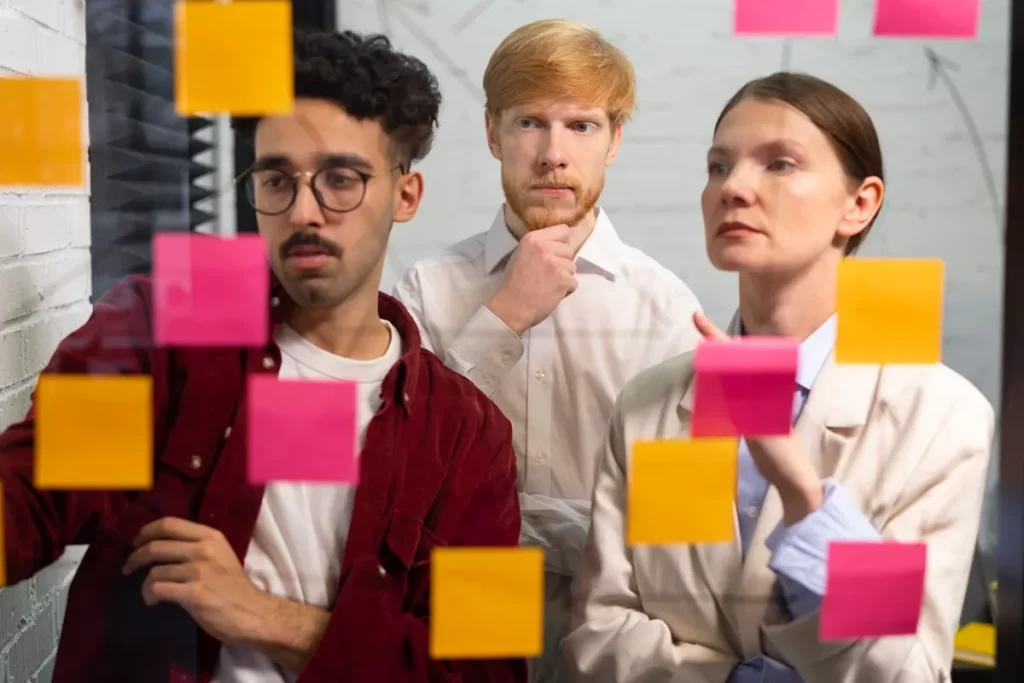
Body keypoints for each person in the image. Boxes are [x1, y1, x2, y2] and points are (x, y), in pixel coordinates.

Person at [0, 29, 526, 683]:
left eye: (342, 179)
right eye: (277, 178)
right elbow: (31, 496)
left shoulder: (468, 435)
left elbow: (489, 670)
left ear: (406, 194)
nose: (304, 211)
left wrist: (263, 616)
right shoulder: (170, 324)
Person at [562, 72, 994, 683]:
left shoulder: (938, 415)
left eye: (780, 164)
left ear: (859, 203)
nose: (733, 188)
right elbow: (599, 639)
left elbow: (907, 669)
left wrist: (803, 496)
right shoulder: (650, 405)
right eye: (718, 167)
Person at [392, 18, 703, 682]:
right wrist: (501, 317)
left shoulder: (666, 307)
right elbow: (399, 469)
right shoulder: (426, 288)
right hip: (455, 623)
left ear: (615, 140)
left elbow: (680, 526)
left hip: (619, 629)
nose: (553, 153)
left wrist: (536, 527)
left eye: (582, 126)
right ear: (492, 132)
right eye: (530, 122)